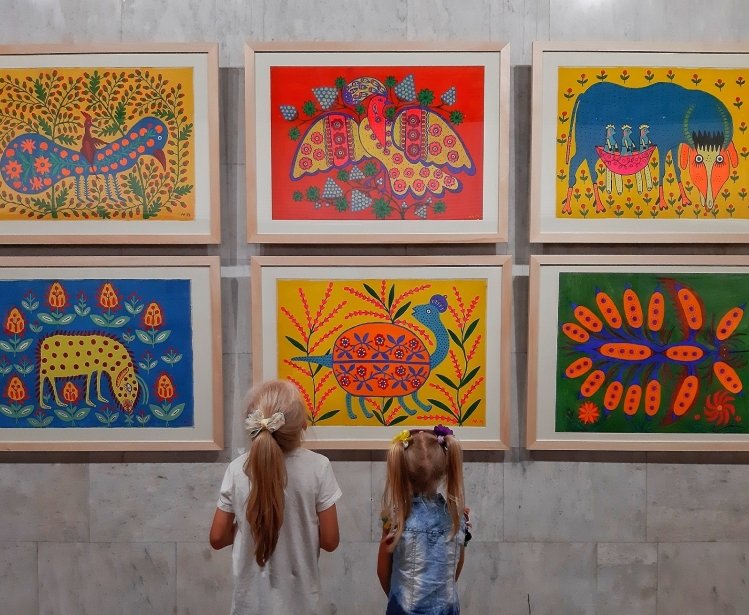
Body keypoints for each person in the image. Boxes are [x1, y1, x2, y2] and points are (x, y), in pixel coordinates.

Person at [209, 379, 342, 615]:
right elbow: (330, 540)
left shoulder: (237, 468)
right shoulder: (319, 467)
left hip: (248, 605)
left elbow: (217, 537)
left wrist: (249, 525)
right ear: (302, 425)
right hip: (302, 605)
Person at [377, 425, 470, 615]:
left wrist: (397, 598)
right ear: (444, 470)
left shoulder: (395, 519)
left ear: (401, 472)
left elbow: (383, 571)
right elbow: (456, 567)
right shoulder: (457, 517)